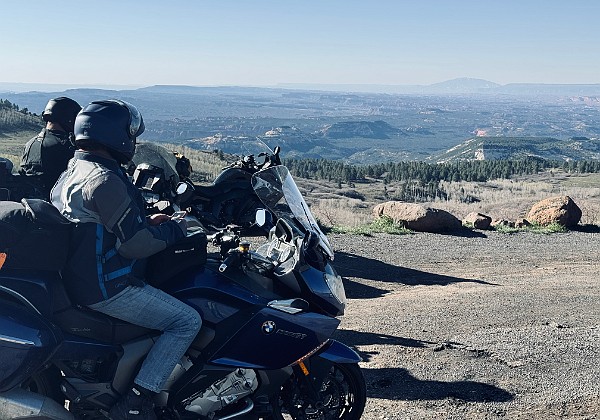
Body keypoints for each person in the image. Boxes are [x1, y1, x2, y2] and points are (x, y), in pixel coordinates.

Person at [51, 99, 201, 420]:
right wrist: (177, 228)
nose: (133, 142)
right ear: (115, 136)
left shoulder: (74, 170)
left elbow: (105, 227)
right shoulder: (104, 179)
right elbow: (136, 245)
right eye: (130, 135)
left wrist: (149, 221)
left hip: (78, 279)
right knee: (186, 321)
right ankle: (138, 400)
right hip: (107, 287)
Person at [20, 97, 82, 198]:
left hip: (32, 204)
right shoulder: (66, 146)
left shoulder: (31, 144)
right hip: (57, 206)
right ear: (69, 119)